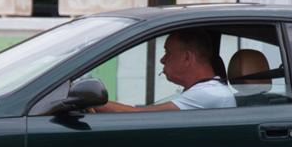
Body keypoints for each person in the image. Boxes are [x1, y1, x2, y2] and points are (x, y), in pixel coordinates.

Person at [94, 29, 235, 112]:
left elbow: (139, 116)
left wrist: (95, 103)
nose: (162, 60)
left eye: (168, 52)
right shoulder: (208, 91)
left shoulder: (208, 93)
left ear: (187, 57)